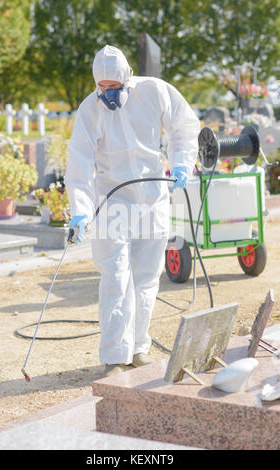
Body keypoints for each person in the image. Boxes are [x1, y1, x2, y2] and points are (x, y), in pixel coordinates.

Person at [64, 45, 200, 376]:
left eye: (114, 87)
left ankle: (138, 347)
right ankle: (114, 356)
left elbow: (184, 125)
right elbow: (79, 161)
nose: (109, 94)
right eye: (103, 88)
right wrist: (80, 210)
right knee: (115, 277)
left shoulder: (154, 92)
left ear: (127, 78)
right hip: (112, 202)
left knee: (147, 278)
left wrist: (182, 164)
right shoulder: (89, 110)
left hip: (152, 197)